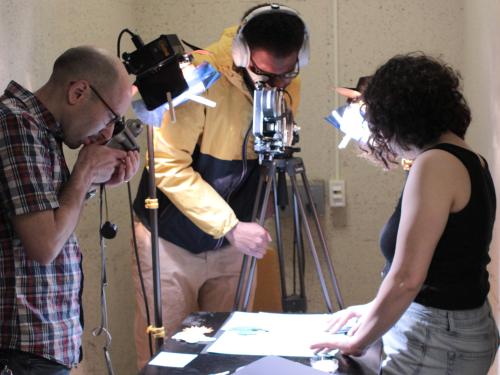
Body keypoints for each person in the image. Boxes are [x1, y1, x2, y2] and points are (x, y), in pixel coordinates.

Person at [131, 3, 308, 368]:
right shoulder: (199, 75)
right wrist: (228, 226)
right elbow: (166, 164)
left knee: (227, 352)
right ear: (243, 54)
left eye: (285, 75)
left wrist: (236, 228)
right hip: (171, 239)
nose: (275, 84)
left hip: (232, 240)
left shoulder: (288, 81)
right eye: (265, 74)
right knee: (170, 357)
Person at [311, 53, 499, 374]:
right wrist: (372, 310)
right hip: (453, 328)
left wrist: (356, 342)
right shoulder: (469, 158)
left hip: (439, 338)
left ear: (398, 118)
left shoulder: (434, 164)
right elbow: (448, 267)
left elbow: (406, 279)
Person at [0, 46, 140, 374]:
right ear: (78, 91)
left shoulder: (44, 134)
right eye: (110, 118)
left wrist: (92, 183)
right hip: (21, 349)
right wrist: (85, 172)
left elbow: (51, 217)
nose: (108, 133)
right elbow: (44, 245)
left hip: (41, 346)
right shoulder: (17, 124)